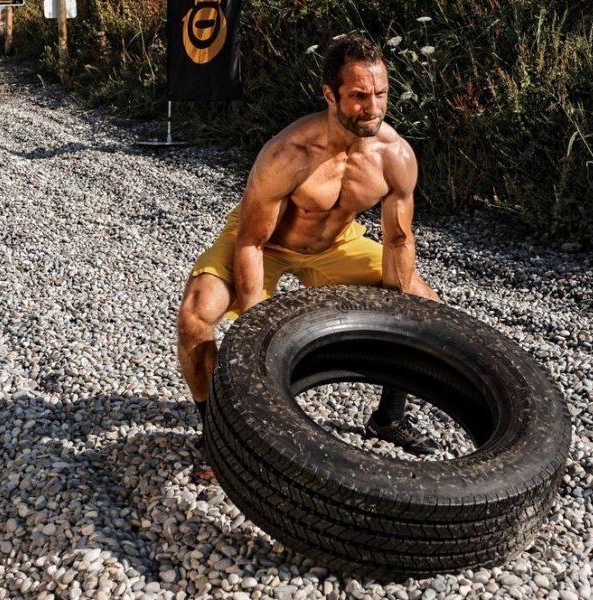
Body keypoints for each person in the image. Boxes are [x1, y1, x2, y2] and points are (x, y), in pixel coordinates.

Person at [176, 35, 440, 465]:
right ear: (329, 95)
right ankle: (216, 431)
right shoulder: (288, 153)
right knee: (195, 316)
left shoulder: (394, 155)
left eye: (380, 94)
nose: (371, 107)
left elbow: (397, 240)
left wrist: (401, 309)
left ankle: (389, 417)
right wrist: (253, 318)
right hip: (267, 242)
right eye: (357, 96)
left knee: (425, 307)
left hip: (338, 243)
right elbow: (251, 241)